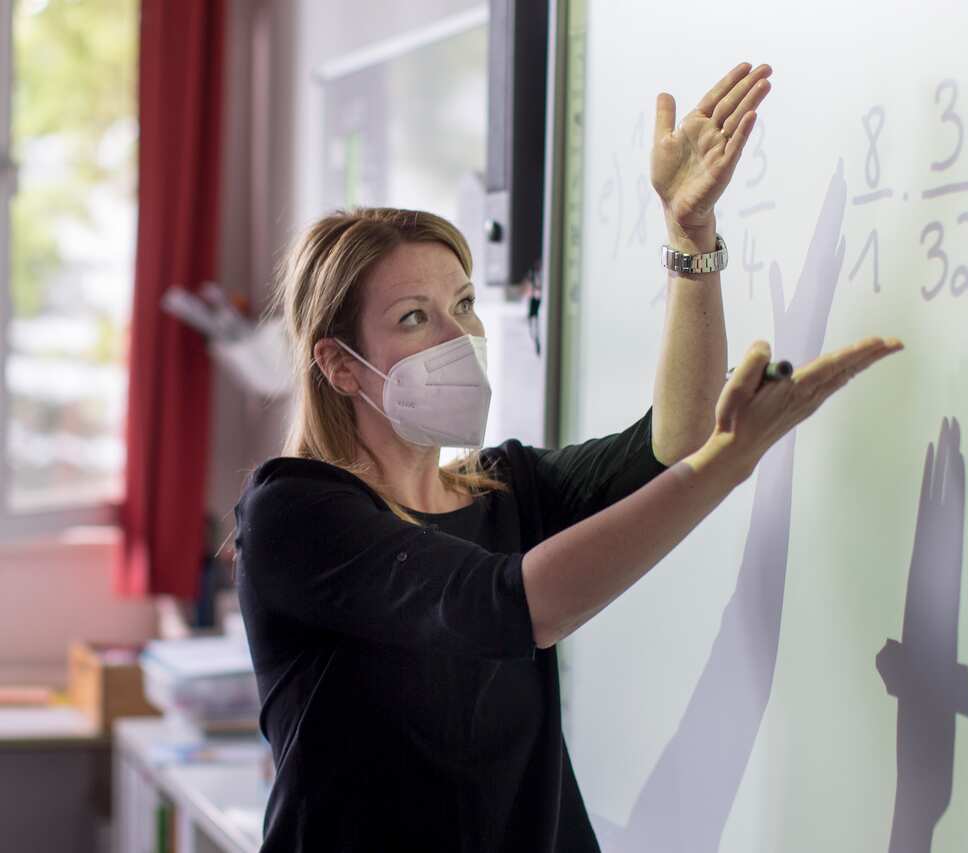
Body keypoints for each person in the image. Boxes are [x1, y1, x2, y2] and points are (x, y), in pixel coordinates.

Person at [234, 62, 903, 852]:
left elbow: (673, 444)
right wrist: (732, 459)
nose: (459, 337)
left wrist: (690, 237)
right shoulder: (295, 511)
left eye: (463, 304)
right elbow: (518, 603)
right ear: (341, 365)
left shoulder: (506, 491)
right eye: (415, 317)